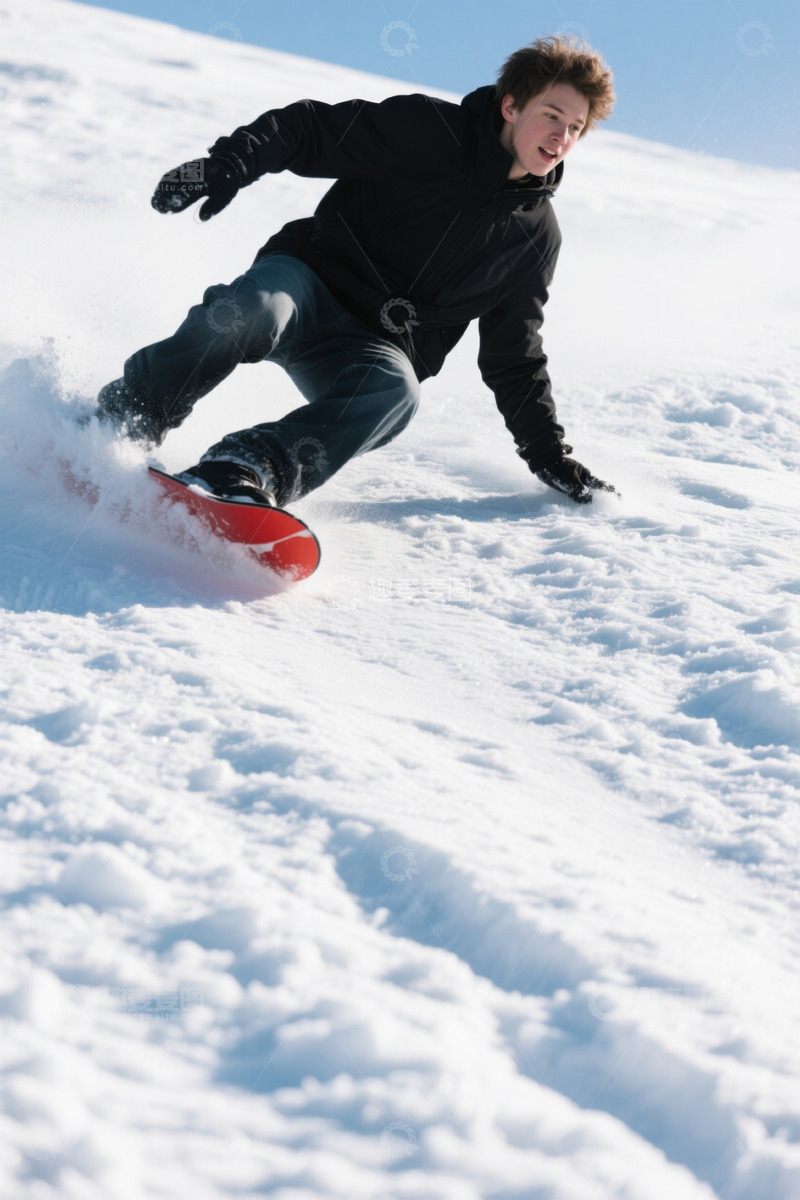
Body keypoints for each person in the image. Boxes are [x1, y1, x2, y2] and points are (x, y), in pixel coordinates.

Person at [95, 35, 617, 509]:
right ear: (510, 105)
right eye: (552, 115)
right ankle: (130, 415)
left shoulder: (535, 238)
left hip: (370, 347)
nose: (562, 135)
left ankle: (248, 467)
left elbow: (514, 354)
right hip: (307, 283)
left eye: (575, 127)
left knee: (397, 394)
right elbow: (310, 131)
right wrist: (230, 163)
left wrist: (547, 453)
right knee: (247, 311)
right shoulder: (428, 131)